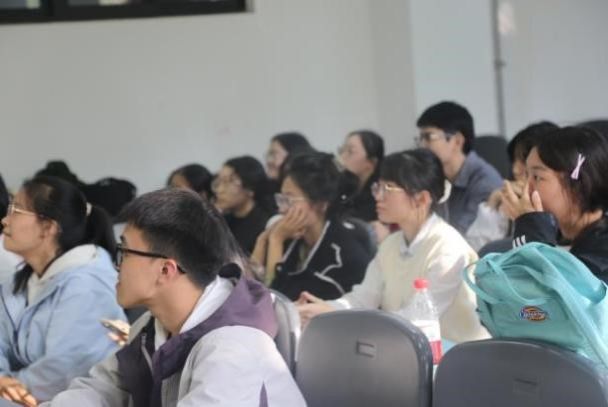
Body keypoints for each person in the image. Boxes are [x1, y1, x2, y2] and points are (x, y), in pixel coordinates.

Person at [43, 188, 305, 406]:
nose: (116, 263)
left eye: (125, 252)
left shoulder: (234, 348)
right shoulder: (153, 326)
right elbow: (101, 390)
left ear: (165, 270)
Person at [297, 149, 488, 343]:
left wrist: (340, 318)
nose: (378, 196)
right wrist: (326, 310)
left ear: (421, 199)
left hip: (455, 353)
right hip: (405, 347)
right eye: (378, 187)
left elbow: (416, 320)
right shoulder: (391, 244)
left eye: (388, 188)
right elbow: (363, 298)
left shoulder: (448, 249)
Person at [0, 176, 125, 405]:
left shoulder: (88, 286)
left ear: (48, 227)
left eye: (16, 210)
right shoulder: (23, 279)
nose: (5, 220)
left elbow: (61, 375)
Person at [252, 152, 373, 301]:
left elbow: (277, 303)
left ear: (321, 204)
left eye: (289, 199)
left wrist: (276, 240)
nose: (281, 209)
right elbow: (248, 291)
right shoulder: (293, 237)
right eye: (281, 199)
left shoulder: (342, 257)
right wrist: (262, 241)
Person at [502, 126, 608, 281]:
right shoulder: (558, 236)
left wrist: (530, 225)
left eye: (537, 177)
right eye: (526, 175)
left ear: (578, 186)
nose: (526, 187)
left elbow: (554, 291)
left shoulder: (602, 253)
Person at [466, 121, 559, 251]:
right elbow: (473, 251)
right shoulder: (512, 198)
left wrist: (527, 218)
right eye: (514, 160)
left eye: (523, 159)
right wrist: (492, 204)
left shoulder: (557, 206)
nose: (515, 169)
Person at [416, 101, 503, 233]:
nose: (422, 145)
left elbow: (467, 238)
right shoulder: (436, 178)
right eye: (420, 138)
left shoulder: (485, 183)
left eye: (429, 137)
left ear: (457, 141)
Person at [213, 156, 275, 254]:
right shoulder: (222, 222)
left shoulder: (266, 224)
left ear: (250, 188)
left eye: (227, 182)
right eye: (218, 182)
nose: (220, 190)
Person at [338, 130, 384, 222]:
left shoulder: (379, 195)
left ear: (371, 162)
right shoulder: (344, 185)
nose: (342, 156)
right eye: (342, 150)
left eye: (350, 151)